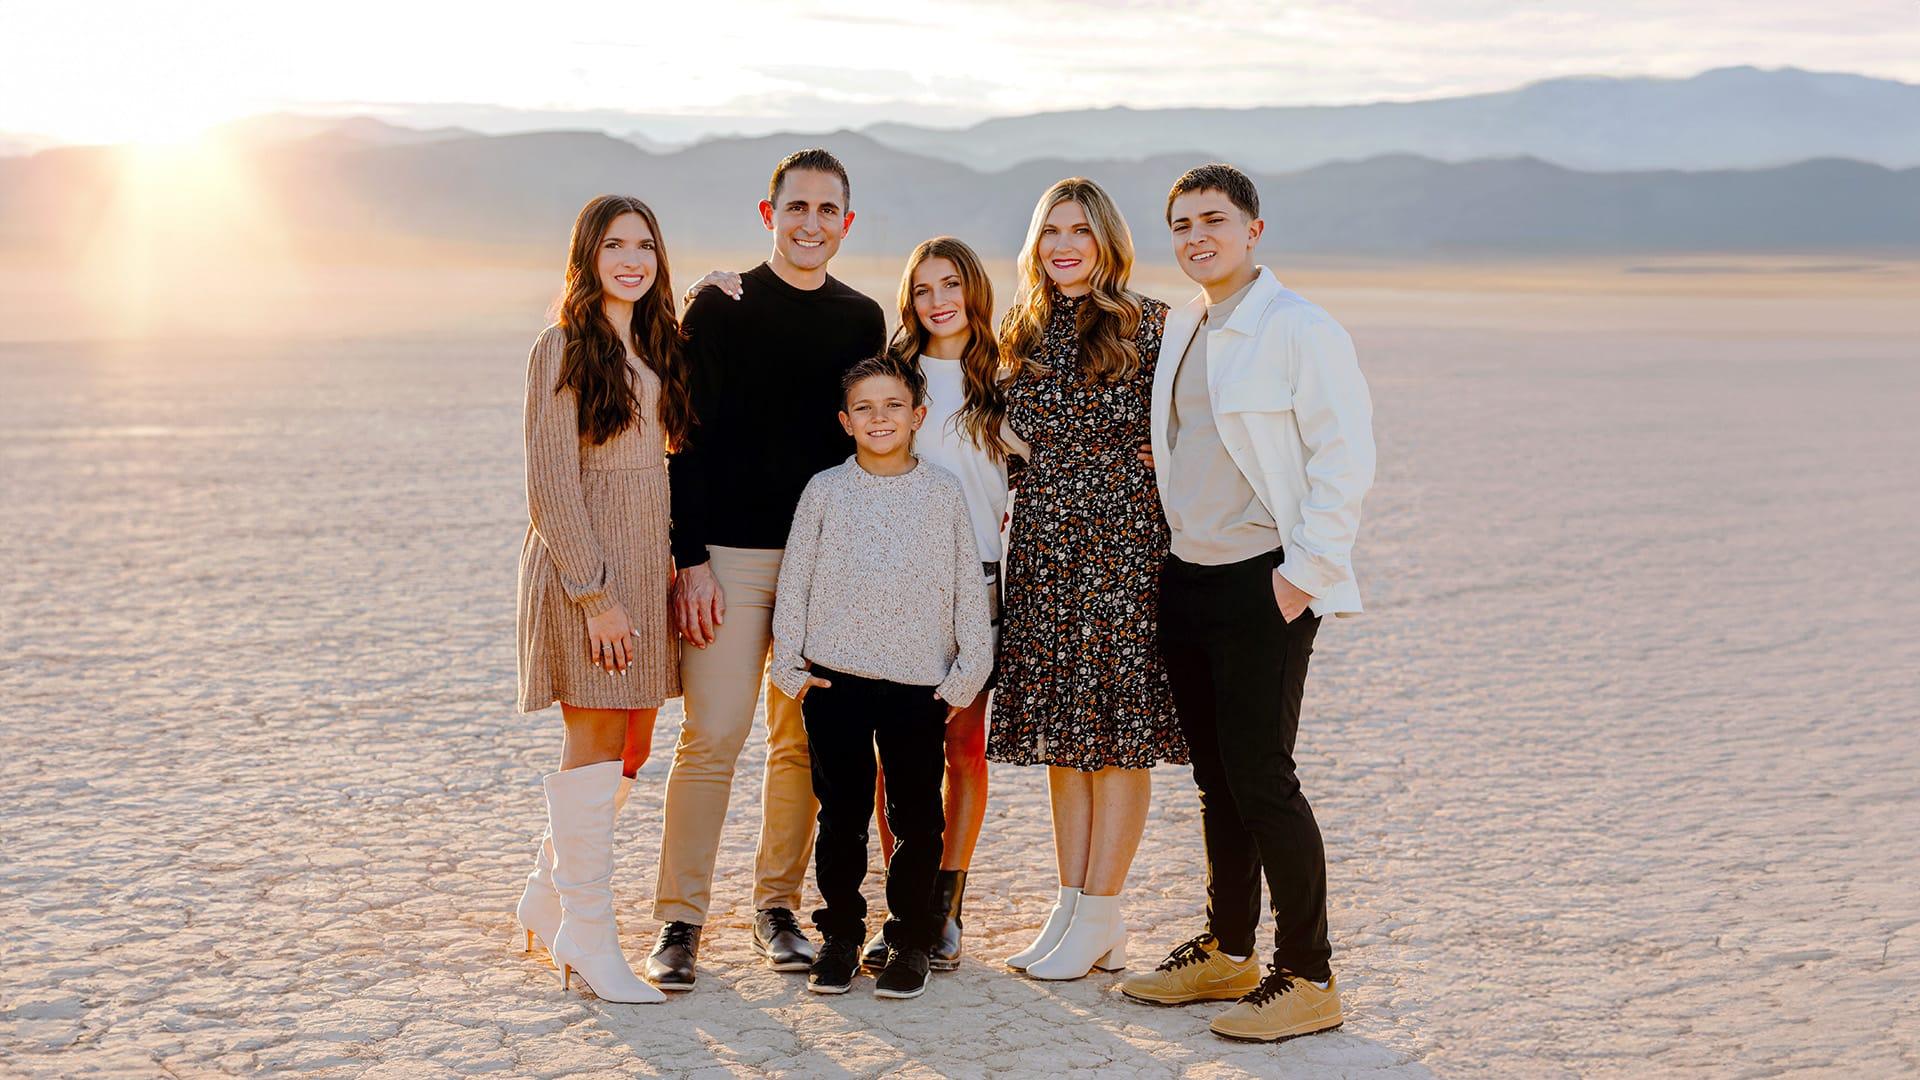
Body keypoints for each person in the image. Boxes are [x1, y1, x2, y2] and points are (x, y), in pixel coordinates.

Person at [685, 237, 1017, 974]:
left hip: (980, 574)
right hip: (888, 588)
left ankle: (941, 906)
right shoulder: (892, 368)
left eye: (952, 284)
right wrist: (705, 291)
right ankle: (896, 910)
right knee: (880, 760)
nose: (939, 300)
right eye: (924, 287)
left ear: (975, 292)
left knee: (960, 747)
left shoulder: (1007, 373)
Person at [1119, 163, 1374, 1043]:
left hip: (1263, 580)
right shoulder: (1185, 323)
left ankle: (1310, 976)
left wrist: (1300, 577)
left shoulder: (1299, 328)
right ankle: (1232, 950)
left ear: (1254, 229)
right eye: (1183, 223)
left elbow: (1346, 458)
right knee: (1216, 779)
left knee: (1264, 779)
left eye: (1214, 220)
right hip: (1187, 576)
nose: (1197, 236)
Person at [652, 148, 887, 990]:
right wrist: (692, 561)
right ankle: (679, 922)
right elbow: (685, 436)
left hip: (821, 566)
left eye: (829, 210)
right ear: (769, 214)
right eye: (798, 208)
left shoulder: (863, 320)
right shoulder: (721, 307)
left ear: (847, 223)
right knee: (712, 736)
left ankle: (776, 908)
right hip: (729, 562)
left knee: (800, 748)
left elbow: (868, 438)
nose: (812, 223)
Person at [987, 177, 1186, 981]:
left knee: (1117, 736)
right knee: (1065, 743)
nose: (1063, 245)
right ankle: (1071, 906)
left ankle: (1104, 908)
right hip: (1043, 549)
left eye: (1079, 230)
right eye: (1049, 232)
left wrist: (1161, 467)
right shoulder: (1019, 330)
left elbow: (1196, 426)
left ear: (1106, 240)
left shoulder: (1155, 324)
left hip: (1124, 551)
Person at [769, 353, 994, 999]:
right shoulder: (825, 491)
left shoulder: (942, 493)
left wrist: (964, 677)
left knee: (918, 817)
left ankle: (910, 938)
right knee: (841, 815)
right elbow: (796, 583)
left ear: (918, 416)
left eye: (893, 405)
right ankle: (840, 935)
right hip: (835, 681)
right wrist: (789, 666)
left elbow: (963, 586)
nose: (880, 417)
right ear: (845, 421)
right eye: (864, 407)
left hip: (917, 685)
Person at [512, 194, 691, 1004]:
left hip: (645, 570)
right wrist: (596, 597)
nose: (631, 259)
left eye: (645, 245)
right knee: (594, 745)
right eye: (614, 245)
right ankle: (588, 934)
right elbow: (550, 487)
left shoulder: (657, 339)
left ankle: (547, 895)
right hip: (589, 576)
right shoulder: (561, 348)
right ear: (586, 256)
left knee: (633, 744)